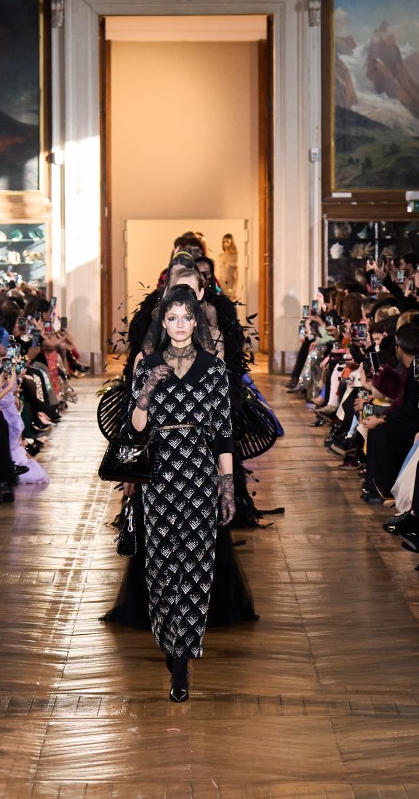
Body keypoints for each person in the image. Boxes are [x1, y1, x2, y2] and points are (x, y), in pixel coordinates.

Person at [129, 285, 234, 702]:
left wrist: (227, 485)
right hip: (159, 478)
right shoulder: (148, 364)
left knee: (195, 568)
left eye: (186, 317)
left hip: (200, 478)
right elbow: (136, 428)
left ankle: (181, 664)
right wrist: (147, 390)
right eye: (171, 318)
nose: (179, 325)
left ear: (196, 321)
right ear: (163, 321)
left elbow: (223, 431)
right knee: (160, 566)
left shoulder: (214, 369)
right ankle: (169, 641)